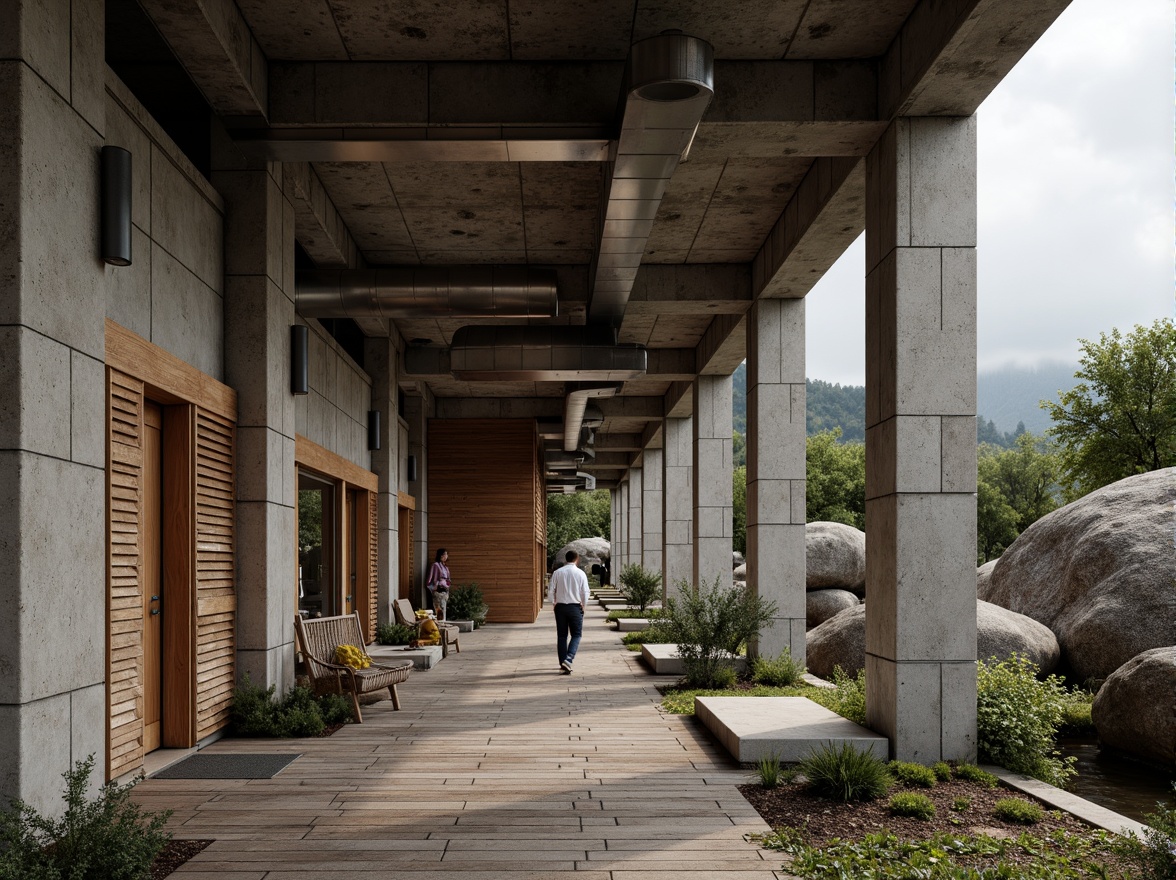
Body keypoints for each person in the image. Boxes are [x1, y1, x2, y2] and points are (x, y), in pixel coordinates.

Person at [548, 549, 589, 674]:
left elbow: (551, 590)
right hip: (575, 607)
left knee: (562, 635)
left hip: (560, 607)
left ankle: (563, 663)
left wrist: (553, 603)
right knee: (576, 634)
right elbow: (585, 592)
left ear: (566, 559)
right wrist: (584, 605)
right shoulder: (581, 573)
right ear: (577, 559)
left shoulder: (557, 572)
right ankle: (569, 658)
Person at [425, 548, 451, 621]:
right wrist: (434, 588)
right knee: (439, 609)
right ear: (441, 555)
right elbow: (432, 578)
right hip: (438, 590)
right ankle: (440, 625)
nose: (446, 556)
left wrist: (448, 585)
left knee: (443, 609)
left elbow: (448, 579)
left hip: (445, 590)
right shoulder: (436, 565)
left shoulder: (445, 566)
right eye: (445, 554)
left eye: (446, 554)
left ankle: (443, 623)